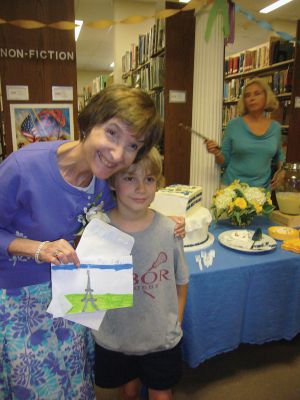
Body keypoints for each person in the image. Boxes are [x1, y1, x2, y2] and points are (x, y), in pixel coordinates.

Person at [0, 84, 186, 399]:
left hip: (75, 295)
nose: (117, 154)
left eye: (132, 145)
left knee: (76, 384)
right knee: (37, 389)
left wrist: (172, 221)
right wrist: (39, 248)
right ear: (89, 123)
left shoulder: (104, 182)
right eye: (112, 133)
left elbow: (131, 205)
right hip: (22, 300)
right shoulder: (23, 168)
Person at [93, 147, 189, 400]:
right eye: (129, 178)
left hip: (160, 339)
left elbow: (182, 280)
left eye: (149, 179)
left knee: (161, 394)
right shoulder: (99, 229)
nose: (141, 188)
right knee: (128, 389)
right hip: (117, 338)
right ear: (113, 181)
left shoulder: (170, 230)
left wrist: (175, 321)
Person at [206, 77, 285, 189]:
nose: (252, 98)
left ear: (266, 97)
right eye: (247, 95)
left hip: (261, 192)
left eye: (257, 94)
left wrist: (282, 171)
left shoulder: (275, 128)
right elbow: (224, 162)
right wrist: (216, 152)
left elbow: (280, 156)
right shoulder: (233, 125)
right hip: (231, 190)